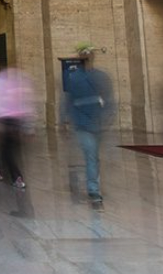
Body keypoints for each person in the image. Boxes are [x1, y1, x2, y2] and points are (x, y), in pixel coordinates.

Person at [65, 49, 114, 207]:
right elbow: (68, 101)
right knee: (91, 155)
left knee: (94, 157)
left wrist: (108, 116)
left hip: (96, 122)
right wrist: (66, 118)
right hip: (83, 123)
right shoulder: (74, 77)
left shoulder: (100, 76)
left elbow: (108, 98)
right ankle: (94, 190)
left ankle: (94, 184)